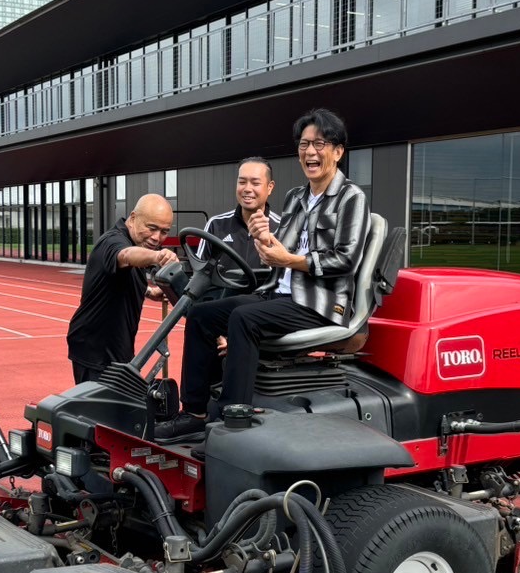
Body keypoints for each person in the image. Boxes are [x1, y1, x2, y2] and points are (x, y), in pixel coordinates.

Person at [156, 108, 369, 441]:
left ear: (338, 152)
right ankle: (195, 413)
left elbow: (345, 259)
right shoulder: (296, 197)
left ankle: (232, 421)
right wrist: (264, 239)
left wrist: (290, 259)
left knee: (244, 318)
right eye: (304, 144)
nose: (310, 152)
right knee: (201, 315)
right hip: (279, 293)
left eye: (320, 144)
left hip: (319, 303)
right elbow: (276, 253)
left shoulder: (351, 198)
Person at [66, 194, 177, 384]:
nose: (156, 237)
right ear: (133, 218)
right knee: (100, 411)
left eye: (164, 231)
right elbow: (126, 256)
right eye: (151, 228)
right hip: (97, 351)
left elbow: (116, 279)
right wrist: (157, 256)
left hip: (117, 348)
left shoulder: (136, 241)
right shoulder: (113, 241)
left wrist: (148, 292)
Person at [196, 157, 280, 271]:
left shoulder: (282, 227)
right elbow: (199, 271)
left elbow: (287, 276)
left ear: (270, 187)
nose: (247, 188)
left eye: (255, 183)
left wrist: (266, 245)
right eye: (242, 182)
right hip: (223, 289)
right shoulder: (216, 225)